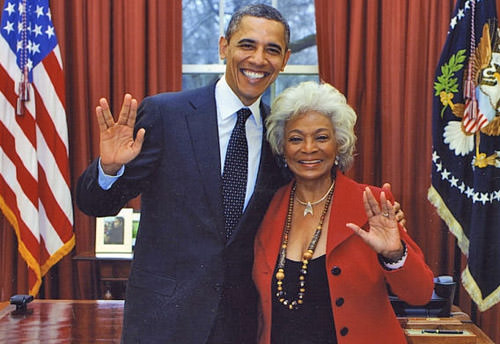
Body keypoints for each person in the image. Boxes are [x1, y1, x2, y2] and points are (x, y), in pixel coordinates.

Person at [76, 4, 291, 343]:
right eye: (247, 45)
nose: (258, 59)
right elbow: (95, 204)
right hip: (162, 322)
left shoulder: (280, 136)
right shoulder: (166, 115)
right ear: (224, 47)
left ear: (285, 60)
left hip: (240, 326)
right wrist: (110, 168)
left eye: (272, 50)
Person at [252, 81, 434, 344]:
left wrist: (394, 254)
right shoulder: (267, 207)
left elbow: (421, 294)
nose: (308, 148)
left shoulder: (371, 203)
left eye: (321, 137)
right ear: (282, 147)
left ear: (339, 144)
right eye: (295, 138)